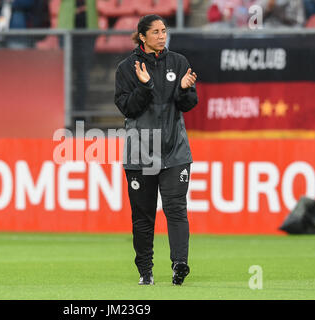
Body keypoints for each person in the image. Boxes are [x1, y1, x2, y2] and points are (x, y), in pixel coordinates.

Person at [114, 15, 198, 286]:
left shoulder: (178, 62)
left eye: (164, 31)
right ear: (142, 36)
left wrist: (185, 90)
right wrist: (145, 86)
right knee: (143, 215)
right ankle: (145, 271)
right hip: (141, 154)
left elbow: (188, 104)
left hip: (175, 152)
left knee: (176, 209)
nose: (162, 36)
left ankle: (179, 264)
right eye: (156, 32)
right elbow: (128, 108)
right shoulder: (126, 68)